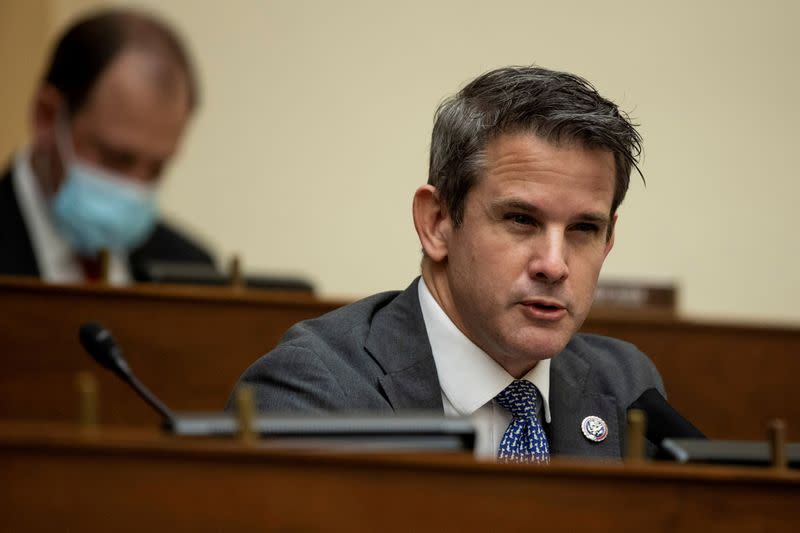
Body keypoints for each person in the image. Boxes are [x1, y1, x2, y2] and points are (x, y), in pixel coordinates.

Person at [230, 66, 665, 461]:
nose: (554, 265)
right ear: (436, 223)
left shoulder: (627, 386)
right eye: (520, 219)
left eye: (583, 229)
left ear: (609, 239)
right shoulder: (313, 392)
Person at [0, 9, 215, 283]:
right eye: (117, 158)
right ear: (47, 117)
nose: (134, 188)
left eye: (156, 168)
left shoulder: (192, 271)